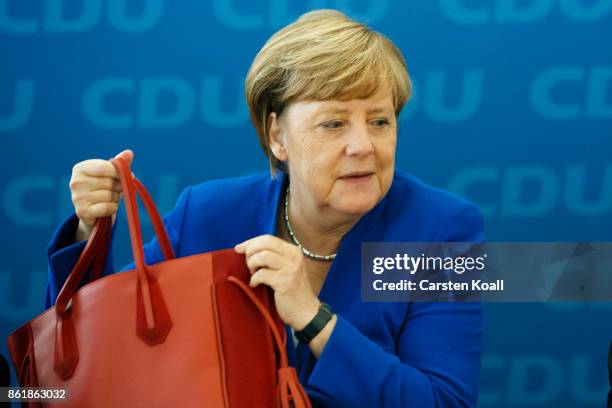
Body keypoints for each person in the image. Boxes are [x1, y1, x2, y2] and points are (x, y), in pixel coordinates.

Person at [44, 9, 485, 408]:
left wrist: (313, 320)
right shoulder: (208, 214)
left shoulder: (443, 231)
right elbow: (98, 349)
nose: (362, 146)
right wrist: (89, 230)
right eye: (334, 123)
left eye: (379, 121)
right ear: (277, 135)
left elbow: (444, 401)